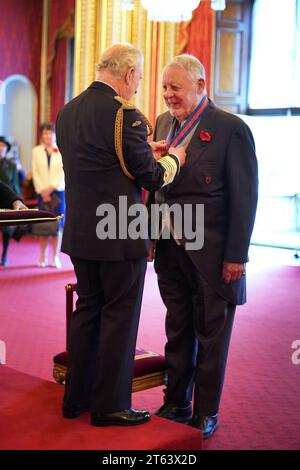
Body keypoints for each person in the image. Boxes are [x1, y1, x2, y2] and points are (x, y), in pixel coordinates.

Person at [55, 43, 186, 427]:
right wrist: (174, 158)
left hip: (80, 231)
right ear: (129, 75)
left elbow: (101, 162)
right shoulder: (124, 115)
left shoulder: (68, 111)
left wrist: (144, 150)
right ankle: (110, 405)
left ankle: (75, 397)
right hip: (118, 232)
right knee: (119, 318)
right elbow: (151, 176)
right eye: (140, 79)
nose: (138, 86)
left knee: (88, 311)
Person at [150, 54, 258, 439]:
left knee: (211, 334)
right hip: (169, 248)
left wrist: (236, 256)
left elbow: (244, 198)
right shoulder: (163, 123)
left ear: (200, 85)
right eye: (164, 87)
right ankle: (177, 399)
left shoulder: (231, 128)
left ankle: (206, 410)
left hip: (213, 253)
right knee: (177, 327)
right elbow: (158, 187)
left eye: (175, 87)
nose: (167, 95)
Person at [32, 123, 65, 268]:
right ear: (41, 136)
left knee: (57, 226)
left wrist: (51, 188)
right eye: (45, 133)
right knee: (44, 226)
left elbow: (64, 172)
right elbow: (35, 172)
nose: (48, 136)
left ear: (54, 135)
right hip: (42, 193)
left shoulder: (61, 150)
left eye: (50, 133)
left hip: (58, 191)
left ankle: (55, 257)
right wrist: (43, 191)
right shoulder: (36, 151)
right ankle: (43, 257)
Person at [0, 136, 22, 266]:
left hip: (7, 200)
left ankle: (4, 255)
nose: (0, 148)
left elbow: (15, 184)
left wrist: (16, 199)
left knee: (7, 231)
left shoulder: (11, 165)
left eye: (3, 146)